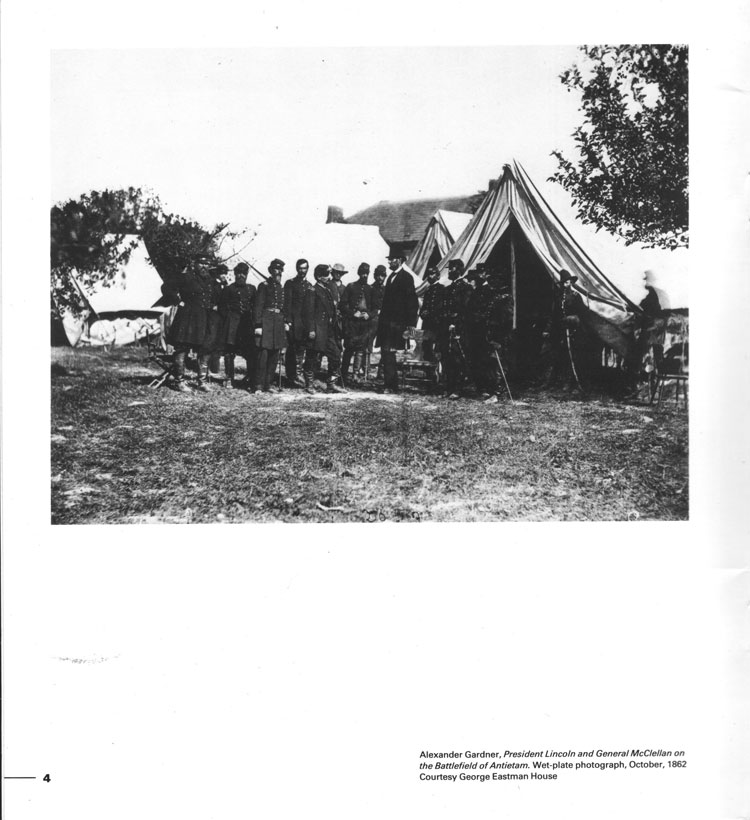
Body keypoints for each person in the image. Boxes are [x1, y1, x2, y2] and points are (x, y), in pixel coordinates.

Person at [168, 255, 218, 392]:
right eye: (201, 263)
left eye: (207, 264)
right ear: (194, 264)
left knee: (205, 348)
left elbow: (217, 296)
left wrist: (215, 306)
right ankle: (179, 381)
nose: (204, 266)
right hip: (187, 317)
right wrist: (178, 301)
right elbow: (166, 287)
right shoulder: (186, 277)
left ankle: (201, 381)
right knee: (182, 348)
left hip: (204, 319)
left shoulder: (211, 281)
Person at [375, 250, 419, 394]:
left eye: (392, 259)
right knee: (387, 353)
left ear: (400, 260)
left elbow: (412, 302)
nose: (389, 262)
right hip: (386, 325)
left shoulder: (406, 278)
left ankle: (390, 385)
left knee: (389, 352)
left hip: (397, 325)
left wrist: (411, 324)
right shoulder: (390, 278)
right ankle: (391, 384)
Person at [302, 264, 346, 394]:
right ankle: (309, 384)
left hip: (328, 331)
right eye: (326, 275)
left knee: (336, 355)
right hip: (317, 330)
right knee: (312, 358)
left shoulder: (326, 290)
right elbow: (308, 313)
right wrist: (311, 330)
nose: (328, 277)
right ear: (319, 277)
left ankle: (331, 384)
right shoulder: (312, 290)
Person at [541, 269, 586, 392]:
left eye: (567, 282)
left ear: (571, 282)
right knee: (558, 356)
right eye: (563, 283)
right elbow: (553, 314)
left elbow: (583, 314)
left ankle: (571, 382)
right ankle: (556, 381)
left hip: (574, 331)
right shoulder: (558, 297)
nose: (565, 285)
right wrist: (548, 329)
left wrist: (573, 319)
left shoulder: (576, 297)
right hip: (560, 330)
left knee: (572, 356)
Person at [217, 262, 256, 388]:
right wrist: (228, 320)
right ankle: (229, 378)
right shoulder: (229, 289)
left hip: (246, 325)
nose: (241, 276)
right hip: (232, 325)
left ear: (246, 274)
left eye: (243, 273)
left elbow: (255, 306)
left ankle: (250, 376)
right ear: (234, 274)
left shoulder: (251, 289)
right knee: (229, 352)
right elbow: (222, 308)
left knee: (250, 351)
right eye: (238, 273)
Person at [252, 258, 288, 393]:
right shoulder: (264, 286)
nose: (278, 273)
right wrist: (258, 325)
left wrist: (285, 322)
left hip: (277, 323)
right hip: (266, 322)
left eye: (280, 270)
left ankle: (268, 385)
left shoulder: (281, 287)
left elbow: (283, 308)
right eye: (275, 270)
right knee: (263, 355)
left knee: (274, 355)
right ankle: (258, 386)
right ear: (271, 271)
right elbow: (258, 306)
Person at [438, 259, 472, 399]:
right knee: (447, 358)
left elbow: (466, 310)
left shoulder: (466, 288)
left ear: (459, 270)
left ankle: (458, 389)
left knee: (458, 359)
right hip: (447, 328)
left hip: (459, 329)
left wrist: (456, 324)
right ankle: (448, 387)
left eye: (451, 269)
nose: (449, 271)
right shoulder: (448, 288)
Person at [340, 263, 372, 385]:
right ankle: (343, 374)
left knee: (360, 350)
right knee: (348, 350)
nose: (365, 275)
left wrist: (369, 314)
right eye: (363, 273)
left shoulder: (370, 289)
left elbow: (375, 308)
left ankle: (355, 374)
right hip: (352, 324)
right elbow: (342, 305)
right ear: (359, 273)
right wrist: (353, 313)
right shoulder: (351, 287)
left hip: (364, 325)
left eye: (367, 273)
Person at [283, 258, 312, 386]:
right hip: (293, 322)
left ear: (307, 269)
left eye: (304, 268)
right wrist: (288, 321)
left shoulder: (309, 285)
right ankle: (290, 375)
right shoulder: (290, 283)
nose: (302, 271)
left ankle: (298, 374)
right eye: (300, 268)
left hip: (304, 323)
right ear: (297, 269)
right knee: (291, 350)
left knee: (301, 349)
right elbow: (287, 304)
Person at [419, 266, 444, 362]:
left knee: (435, 347)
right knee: (426, 346)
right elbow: (424, 306)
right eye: (428, 274)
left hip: (436, 323)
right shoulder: (428, 290)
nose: (429, 276)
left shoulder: (442, 289)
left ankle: (436, 371)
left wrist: (431, 313)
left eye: (432, 274)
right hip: (427, 323)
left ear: (437, 276)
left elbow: (441, 307)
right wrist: (422, 313)